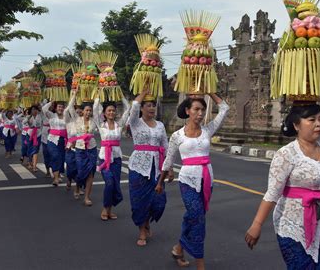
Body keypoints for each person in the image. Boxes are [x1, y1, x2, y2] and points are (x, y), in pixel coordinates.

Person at [244, 96, 320, 269]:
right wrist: (256, 225)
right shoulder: (286, 154)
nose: (318, 124)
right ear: (296, 125)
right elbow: (272, 194)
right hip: (293, 227)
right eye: (311, 120)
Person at [156, 94, 229, 269]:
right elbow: (168, 160)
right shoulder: (176, 136)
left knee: (193, 217)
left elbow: (225, 108)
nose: (200, 113)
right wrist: (160, 182)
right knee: (198, 218)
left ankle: (178, 248)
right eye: (196, 109)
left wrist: (210, 91)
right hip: (187, 181)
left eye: (202, 110)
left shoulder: (208, 130)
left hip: (206, 180)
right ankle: (200, 263)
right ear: (188, 111)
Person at [127, 86, 173, 247]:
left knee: (158, 201)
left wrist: (170, 168)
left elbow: (166, 146)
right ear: (142, 108)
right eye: (148, 105)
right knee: (139, 199)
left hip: (157, 168)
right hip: (138, 166)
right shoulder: (135, 123)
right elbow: (133, 107)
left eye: (154, 105)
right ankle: (142, 230)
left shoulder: (160, 125)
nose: (152, 107)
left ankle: (147, 221)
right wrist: (144, 92)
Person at [93, 97, 130, 221]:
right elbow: (94, 109)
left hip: (117, 158)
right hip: (104, 158)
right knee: (109, 183)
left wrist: (120, 94)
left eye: (113, 110)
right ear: (104, 113)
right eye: (109, 111)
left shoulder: (119, 125)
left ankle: (110, 210)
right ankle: (105, 208)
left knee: (115, 185)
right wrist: (99, 94)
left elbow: (128, 108)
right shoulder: (101, 124)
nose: (111, 113)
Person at [68, 91, 98, 206]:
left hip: (92, 148)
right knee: (81, 173)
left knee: (90, 173)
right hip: (80, 149)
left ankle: (87, 197)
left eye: (90, 111)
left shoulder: (94, 121)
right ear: (82, 111)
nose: (88, 112)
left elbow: (98, 108)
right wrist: (74, 95)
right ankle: (77, 187)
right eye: (86, 110)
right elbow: (70, 108)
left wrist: (96, 95)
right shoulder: (77, 119)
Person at [42, 100, 72, 186]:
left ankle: (58, 174)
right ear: (55, 108)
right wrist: (51, 102)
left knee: (61, 158)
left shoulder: (67, 117)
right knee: (55, 156)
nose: (60, 108)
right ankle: (55, 179)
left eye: (62, 107)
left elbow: (69, 129)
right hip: (52, 139)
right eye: (59, 107)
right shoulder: (51, 115)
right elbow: (44, 109)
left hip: (63, 140)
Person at [26, 105, 42, 172]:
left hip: (38, 134)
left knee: (35, 150)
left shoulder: (40, 116)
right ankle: (29, 161)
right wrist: (28, 119)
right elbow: (24, 122)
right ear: (31, 110)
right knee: (30, 148)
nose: (34, 111)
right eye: (33, 109)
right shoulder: (28, 117)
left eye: (36, 109)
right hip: (30, 134)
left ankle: (34, 166)